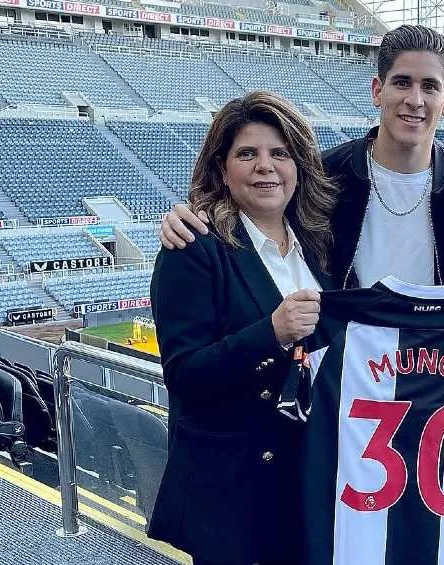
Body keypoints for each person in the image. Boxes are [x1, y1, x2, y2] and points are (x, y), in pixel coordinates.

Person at [160, 24, 444, 289]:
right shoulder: (323, 174)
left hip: (440, 366)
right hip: (346, 366)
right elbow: (253, 205)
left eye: (429, 86)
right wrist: (192, 213)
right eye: (402, 82)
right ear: (377, 91)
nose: (415, 99)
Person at [148, 90, 336, 565]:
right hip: (233, 491)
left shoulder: (318, 246)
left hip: (307, 477)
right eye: (246, 154)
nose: (265, 167)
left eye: (280, 153)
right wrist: (270, 333)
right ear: (222, 168)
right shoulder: (194, 246)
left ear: (300, 166)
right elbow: (185, 373)